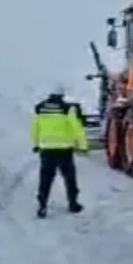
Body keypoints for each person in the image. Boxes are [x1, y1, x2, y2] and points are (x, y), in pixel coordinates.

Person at [31, 83, 88, 217]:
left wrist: (36, 144)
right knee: (69, 178)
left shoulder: (40, 109)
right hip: (64, 149)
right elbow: (76, 128)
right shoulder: (67, 109)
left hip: (46, 149)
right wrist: (83, 145)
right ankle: (73, 204)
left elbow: (34, 128)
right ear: (62, 95)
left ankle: (42, 206)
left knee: (45, 179)